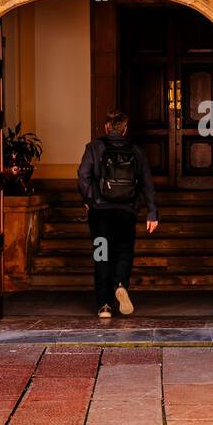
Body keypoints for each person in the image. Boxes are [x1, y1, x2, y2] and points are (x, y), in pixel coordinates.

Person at [77, 110, 158, 319]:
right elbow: (147, 183)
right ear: (125, 129)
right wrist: (152, 212)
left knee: (101, 255)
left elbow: (83, 176)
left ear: (106, 127)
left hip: (100, 213)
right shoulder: (137, 151)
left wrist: (88, 200)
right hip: (126, 212)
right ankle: (121, 283)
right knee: (124, 251)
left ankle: (104, 305)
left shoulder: (94, 148)